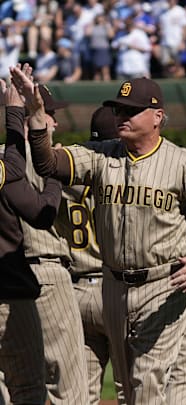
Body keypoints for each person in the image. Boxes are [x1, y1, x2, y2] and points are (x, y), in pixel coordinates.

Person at [21, 72, 186, 405]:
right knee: (128, 386)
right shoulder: (101, 155)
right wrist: (36, 116)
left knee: (146, 381)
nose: (122, 117)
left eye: (132, 110)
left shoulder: (185, 165)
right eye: (119, 110)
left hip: (163, 284)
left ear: (158, 117)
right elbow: (47, 162)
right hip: (114, 286)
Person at [9, 84, 89, 405]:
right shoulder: (51, 161)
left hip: (10, 275)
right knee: (67, 384)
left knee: (14, 382)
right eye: (51, 115)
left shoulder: (5, 159)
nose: (55, 122)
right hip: (48, 272)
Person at [54, 106, 123, 404]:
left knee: (80, 393)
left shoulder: (65, 175)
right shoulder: (123, 176)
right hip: (116, 289)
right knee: (131, 387)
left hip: (75, 289)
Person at [0, 70, 61, 405]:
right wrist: (18, 113)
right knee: (28, 391)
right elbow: (41, 214)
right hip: (10, 295)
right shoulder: (5, 169)